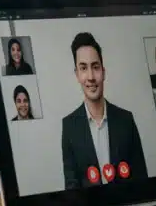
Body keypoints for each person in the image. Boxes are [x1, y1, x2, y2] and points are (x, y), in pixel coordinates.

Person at [61, 32, 149, 189]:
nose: (90, 77)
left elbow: (141, 180)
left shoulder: (126, 120)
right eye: (83, 68)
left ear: (103, 72)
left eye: (95, 67)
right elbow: (71, 189)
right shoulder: (69, 126)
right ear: (77, 75)